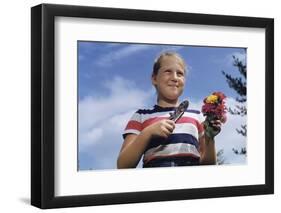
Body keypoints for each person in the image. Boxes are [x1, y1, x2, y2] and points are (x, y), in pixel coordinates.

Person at [117, 51, 222, 168]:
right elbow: (123, 165)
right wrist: (148, 133)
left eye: (180, 74)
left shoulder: (197, 116)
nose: (174, 78)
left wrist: (209, 138)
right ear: (154, 78)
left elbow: (208, 165)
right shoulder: (140, 116)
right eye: (168, 72)